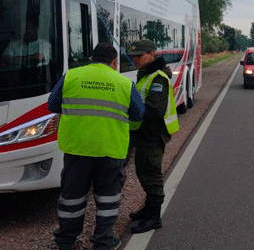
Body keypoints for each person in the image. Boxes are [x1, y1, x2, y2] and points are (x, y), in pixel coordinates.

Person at [48, 43, 145, 250]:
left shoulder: (71, 76)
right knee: (108, 200)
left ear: (91, 59)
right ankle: (103, 241)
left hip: (77, 150)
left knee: (72, 199)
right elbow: (138, 115)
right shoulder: (124, 83)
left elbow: (52, 105)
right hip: (111, 151)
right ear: (115, 62)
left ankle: (66, 241)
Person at [127, 39, 179, 234]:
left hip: (153, 135)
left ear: (151, 54)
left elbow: (155, 111)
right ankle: (149, 208)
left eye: (139, 56)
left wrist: (132, 108)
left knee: (151, 175)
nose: (135, 59)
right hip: (145, 134)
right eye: (133, 56)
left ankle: (154, 217)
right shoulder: (147, 74)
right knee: (143, 171)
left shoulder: (157, 78)